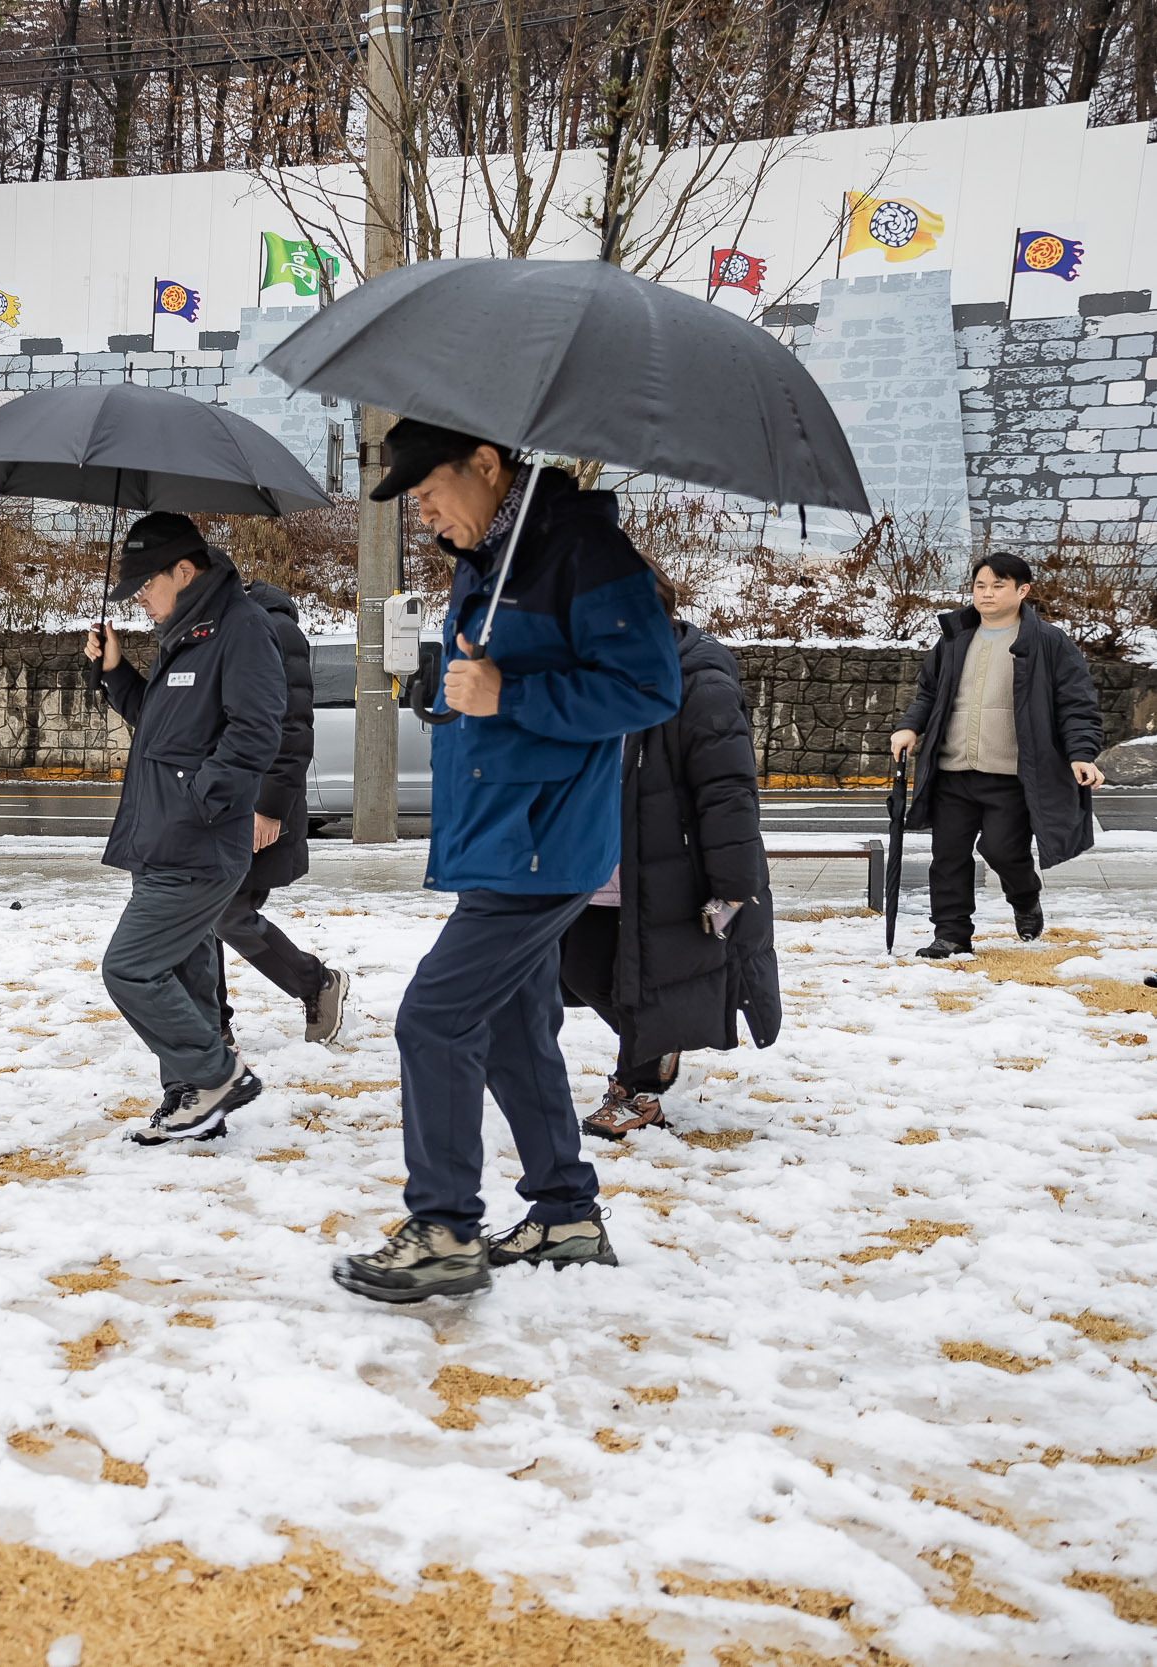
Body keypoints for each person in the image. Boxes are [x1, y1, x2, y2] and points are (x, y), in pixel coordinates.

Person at [333, 421, 680, 1305]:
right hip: (500, 834)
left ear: (487, 466)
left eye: (429, 494)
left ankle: (445, 1228)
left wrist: (508, 693)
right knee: (516, 1030)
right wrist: (452, 690)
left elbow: (649, 687)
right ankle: (565, 1212)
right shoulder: (493, 551)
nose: (427, 514)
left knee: (435, 1019)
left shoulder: (583, 550)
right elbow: (499, 671)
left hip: (545, 840)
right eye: (415, 503)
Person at [83, 512, 286, 1147]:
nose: (139, 598)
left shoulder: (240, 628)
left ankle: (215, 1074)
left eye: (145, 584)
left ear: (184, 570)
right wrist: (117, 671)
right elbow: (160, 725)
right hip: (168, 837)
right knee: (184, 969)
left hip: (196, 840)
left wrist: (203, 800)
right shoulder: (188, 630)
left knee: (131, 968)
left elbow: (258, 727)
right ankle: (193, 1099)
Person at [556, 566, 781, 1138]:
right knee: (580, 968)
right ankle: (661, 1042)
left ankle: (639, 1089)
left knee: (644, 985)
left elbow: (727, 794)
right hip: (594, 859)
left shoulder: (699, 683)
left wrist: (731, 886)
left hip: (666, 870)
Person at [889, 554, 1105, 959]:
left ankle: (1025, 897)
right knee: (948, 855)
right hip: (952, 769)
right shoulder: (955, 637)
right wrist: (909, 726)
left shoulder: (1048, 642)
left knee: (1002, 850)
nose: (986, 594)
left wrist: (1081, 753)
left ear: (1022, 591)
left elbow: (1076, 704)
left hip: (1010, 773)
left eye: (997, 586)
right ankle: (951, 935)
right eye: (980, 586)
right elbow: (929, 693)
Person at [216, 577, 353, 1049]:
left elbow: (293, 728)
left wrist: (269, 807)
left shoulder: (274, 629)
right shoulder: (212, 630)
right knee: (197, 914)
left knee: (226, 913)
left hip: (255, 805)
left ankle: (315, 983)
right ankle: (212, 1027)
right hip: (213, 801)